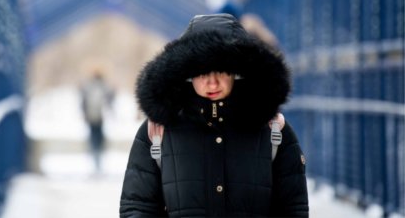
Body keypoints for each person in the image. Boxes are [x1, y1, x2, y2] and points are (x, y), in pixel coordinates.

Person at [120, 14, 308, 217]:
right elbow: (137, 208)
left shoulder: (274, 132)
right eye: (202, 72)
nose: (212, 83)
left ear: (238, 72)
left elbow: (292, 209)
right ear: (186, 74)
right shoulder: (158, 131)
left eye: (221, 71)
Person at [81, 70, 113, 172]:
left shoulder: (90, 87)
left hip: (94, 117)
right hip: (97, 117)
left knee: (94, 137)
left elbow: (83, 102)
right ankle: (97, 160)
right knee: (97, 138)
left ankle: (96, 159)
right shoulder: (102, 87)